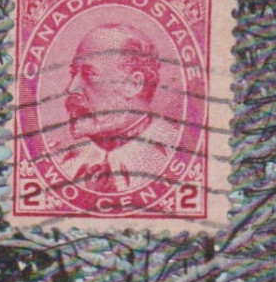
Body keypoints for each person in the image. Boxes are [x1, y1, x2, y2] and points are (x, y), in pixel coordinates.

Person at [47, 23, 180, 196]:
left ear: (133, 84)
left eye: (89, 74)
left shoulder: (178, 153)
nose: (71, 88)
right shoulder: (56, 157)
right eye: (74, 73)